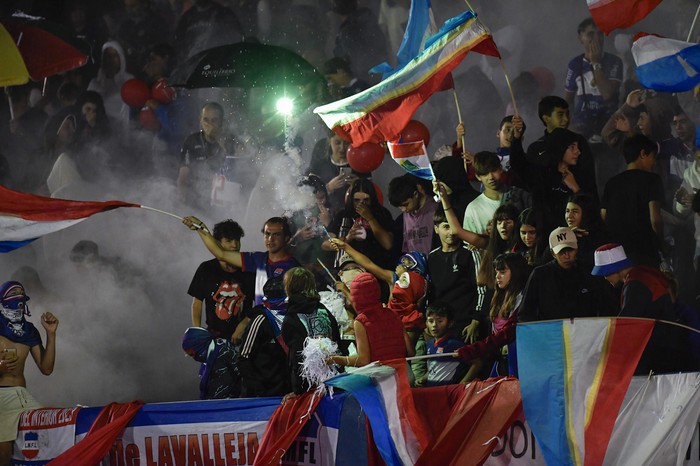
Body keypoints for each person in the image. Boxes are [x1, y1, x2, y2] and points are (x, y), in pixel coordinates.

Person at [591, 244, 695, 373]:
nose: (605, 278)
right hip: (673, 345)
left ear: (614, 268)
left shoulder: (635, 284)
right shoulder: (646, 272)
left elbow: (627, 322)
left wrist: (603, 344)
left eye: (605, 274)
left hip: (660, 352)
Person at [0, 282, 58, 466]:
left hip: (23, 396)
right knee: (3, 452)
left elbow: (46, 369)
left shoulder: (29, 330)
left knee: (51, 433)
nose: (18, 297)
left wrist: (51, 335)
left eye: (21, 294)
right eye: (13, 293)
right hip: (1, 397)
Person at [183, 216, 300, 307]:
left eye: (276, 235)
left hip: (283, 329)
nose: (270, 239)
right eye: (267, 234)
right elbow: (221, 254)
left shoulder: (293, 268)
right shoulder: (257, 259)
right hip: (262, 327)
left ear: (286, 238)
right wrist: (200, 227)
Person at [518, 227, 609, 322]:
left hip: (585, 332)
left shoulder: (588, 271)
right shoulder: (540, 275)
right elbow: (525, 314)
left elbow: (604, 305)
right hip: (552, 334)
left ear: (577, 248)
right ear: (553, 253)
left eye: (570, 250)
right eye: (561, 252)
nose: (567, 256)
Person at [601, 134, 664, 267]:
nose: (654, 162)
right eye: (653, 156)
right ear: (642, 154)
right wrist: (661, 243)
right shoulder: (652, 180)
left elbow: (603, 218)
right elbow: (655, 220)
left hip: (617, 254)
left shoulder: (611, 183)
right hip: (644, 252)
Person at [187, 220, 254, 343]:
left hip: (243, 339)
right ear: (217, 243)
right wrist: (198, 332)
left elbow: (260, 304)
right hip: (214, 338)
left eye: (237, 240)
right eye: (229, 241)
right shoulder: (206, 269)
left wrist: (244, 325)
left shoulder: (249, 270)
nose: (235, 245)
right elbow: (197, 303)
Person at [329, 272, 412, 368]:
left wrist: (337, 359)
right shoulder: (393, 313)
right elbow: (410, 351)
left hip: (384, 379)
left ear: (356, 297)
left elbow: (363, 360)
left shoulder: (360, 322)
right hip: (404, 374)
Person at [281, 267, 342, 395]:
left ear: (290, 287)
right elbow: (338, 343)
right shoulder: (324, 310)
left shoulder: (292, 317)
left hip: (308, 390)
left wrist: (297, 391)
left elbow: (297, 356)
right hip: (334, 384)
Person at [564, 18, 623, 141]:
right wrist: (568, 125)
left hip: (608, 126)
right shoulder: (575, 64)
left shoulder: (614, 62)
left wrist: (595, 63)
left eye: (600, 34)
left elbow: (607, 94)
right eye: (590, 34)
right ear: (580, 39)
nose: (596, 38)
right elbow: (568, 100)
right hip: (581, 126)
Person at [427, 209, 478, 343]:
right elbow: (430, 293)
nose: (451, 232)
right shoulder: (431, 257)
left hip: (466, 324)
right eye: (446, 227)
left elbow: (480, 290)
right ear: (436, 229)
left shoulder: (469, 254)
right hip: (441, 326)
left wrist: (475, 321)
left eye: (454, 227)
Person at [323, 178, 395, 271]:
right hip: (350, 270)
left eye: (366, 200)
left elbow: (388, 244)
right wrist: (346, 240)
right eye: (356, 200)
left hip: (378, 268)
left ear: (372, 199)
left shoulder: (381, 213)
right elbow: (325, 244)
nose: (361, 204)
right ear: (351, 199)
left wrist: (370, 218)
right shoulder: (344, 214)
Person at [177, 102, 239, 208]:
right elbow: (183, 175)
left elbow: (239, 171)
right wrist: (182, 199)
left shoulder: (231, 140)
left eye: (214, 120)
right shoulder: (192, 140)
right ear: (200, 120)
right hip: (197, 197)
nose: (209, 124)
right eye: (206, 120)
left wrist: (221, 141)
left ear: (222, 122)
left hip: (224, 201)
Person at [238, 277, 291, 397]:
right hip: (263, 395)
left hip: (286, 393)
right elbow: (243, 358)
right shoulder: (261, 320)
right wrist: (259, 390)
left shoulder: (293, 318)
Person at [416, 303, 472, 386]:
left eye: (440, 321)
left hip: (447, 393)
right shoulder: (430, 343)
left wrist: (461, 385)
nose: (434, 325)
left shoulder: (454, 344)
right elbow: (434, 367)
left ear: (450, 323)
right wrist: (423, 378)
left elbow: (477, 362)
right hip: (432, 391)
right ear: (426, 323)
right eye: (431, 321)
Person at [182, 327, 241, 399]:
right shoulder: (206, 360)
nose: (193, 358)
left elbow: (244, 380)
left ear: (200, 346)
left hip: (230, 406)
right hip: (214, 405)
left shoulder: (227, 353)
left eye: (192, 354)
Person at [389, 174, 439, 256]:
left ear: (415, 194)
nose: (404, 210)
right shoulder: (404, 217)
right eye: (400, 207)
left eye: (406, 204)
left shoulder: (435, 209)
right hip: (415, 265)